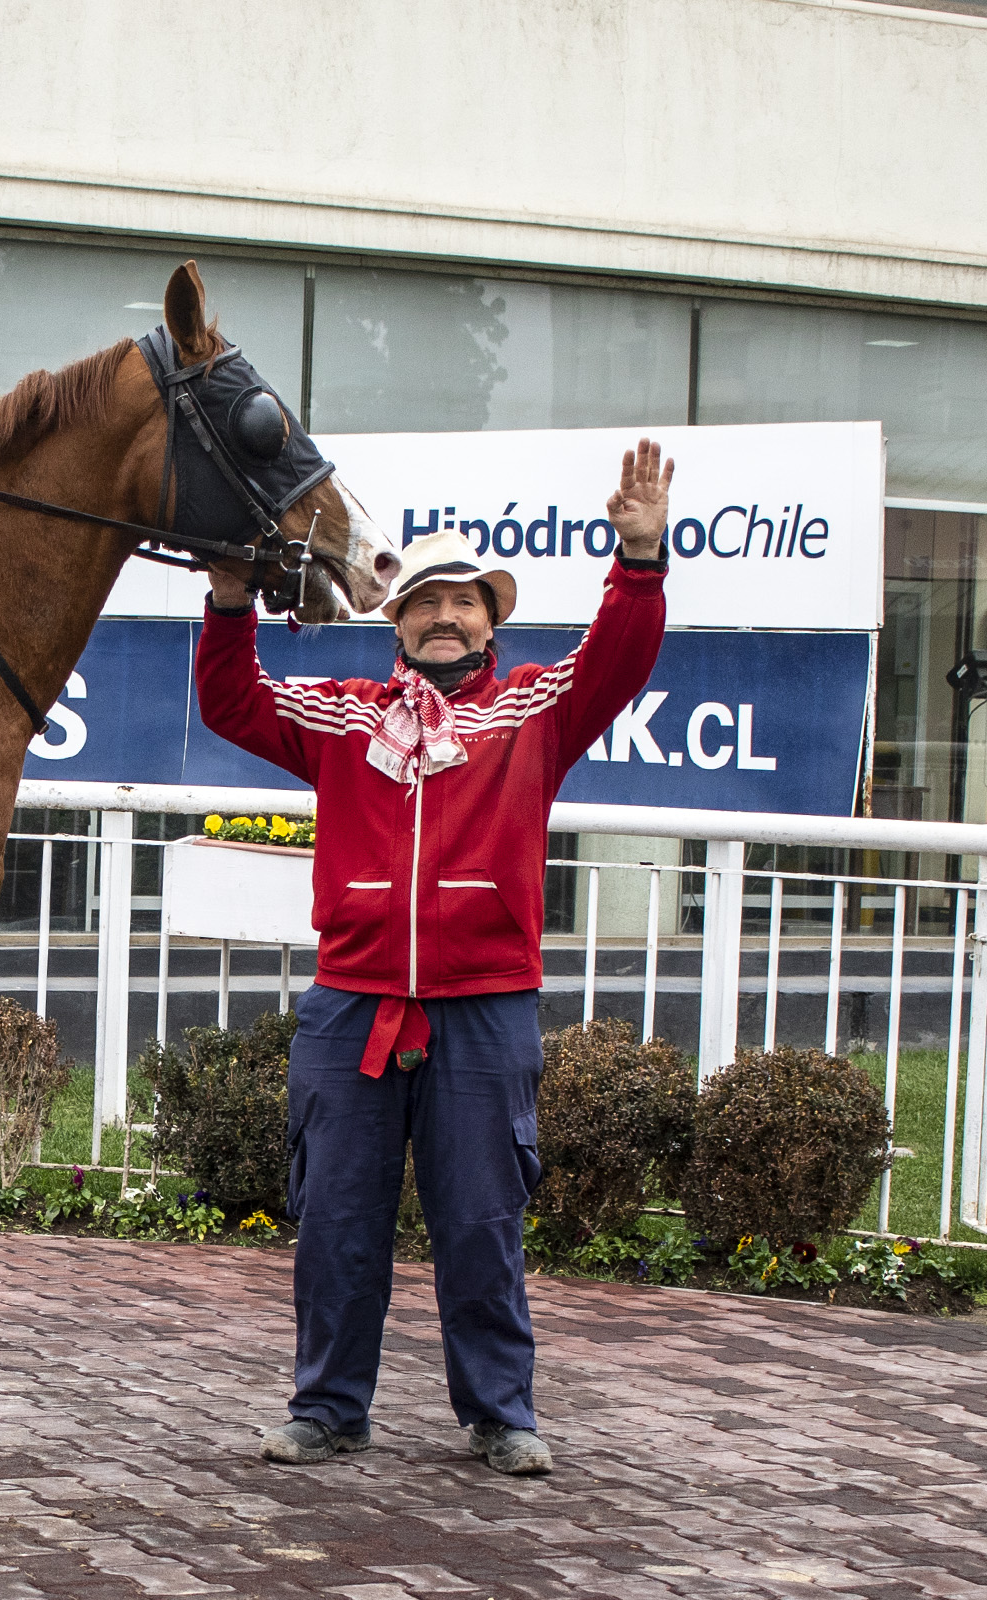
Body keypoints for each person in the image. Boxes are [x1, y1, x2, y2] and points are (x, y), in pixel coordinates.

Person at [195, 440, 677, 1477]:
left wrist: (639, 561)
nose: (445, 617)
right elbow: (233, 702)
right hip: (351, 1005)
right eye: (425, 602)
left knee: (480, 1223)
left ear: (492, 623)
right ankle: (329, 1408)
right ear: (398, 622)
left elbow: (620, 658)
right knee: (336, 1221)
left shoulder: (533, 708)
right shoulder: (344, 715)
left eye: (465, 602)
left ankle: (500, 1413)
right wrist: (230, 602)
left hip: (486, 1006)